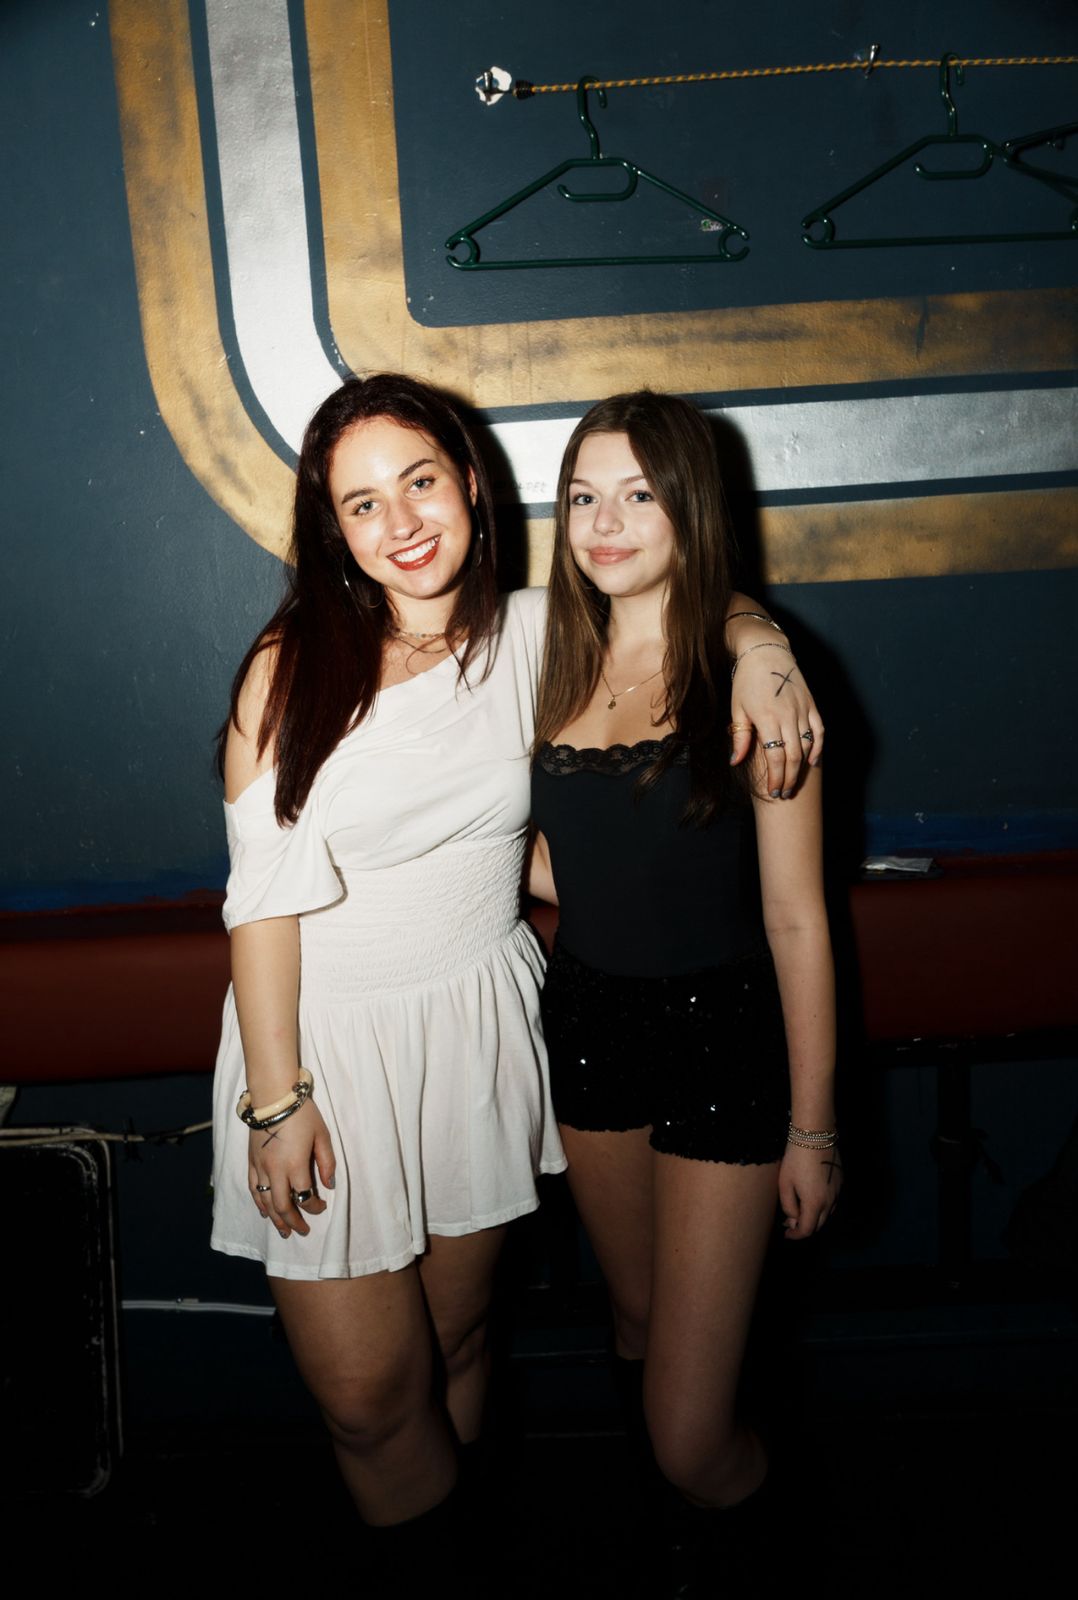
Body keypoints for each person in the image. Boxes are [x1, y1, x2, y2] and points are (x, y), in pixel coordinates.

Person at [209, 374, 822, 1568]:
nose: (401, 522)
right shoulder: (293, 665)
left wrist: (762, 643)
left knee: (458, 1348)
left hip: (480, 1023)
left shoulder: (538, 635)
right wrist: (276, 1099)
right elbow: (261, 900)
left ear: (470, 483)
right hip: (325, 1045)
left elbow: (679, 597)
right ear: (332, 529)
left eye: (419, 483)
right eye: (362, 504)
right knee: (368, 1400)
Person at [530, 391, 840, 1593]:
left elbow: (796, 917)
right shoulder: (541, 657)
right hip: (589, 1028)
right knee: (634, 1327)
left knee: (692, 1430)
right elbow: (557, 860)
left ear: (690, 507)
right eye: (582, 496)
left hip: (726, 1043)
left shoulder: (751, 679)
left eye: (638, 494)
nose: (604, 523)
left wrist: (813, 1126)